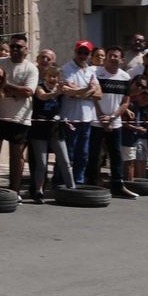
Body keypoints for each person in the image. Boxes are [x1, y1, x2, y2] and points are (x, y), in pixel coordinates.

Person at [88, 46, 136, 198]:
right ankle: (91, 184)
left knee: (116, 155)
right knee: (94, 155)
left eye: (116, 56)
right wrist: (101, 116)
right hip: (96, 121)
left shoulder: (125, 77)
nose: (113, 58)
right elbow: (93, 96)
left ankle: (118, 185)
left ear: (122, 60)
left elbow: (125, 102)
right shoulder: (95, 73)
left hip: (115, 123)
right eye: (110, 55)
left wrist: (112, 117)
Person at [0, 35, 38, 194]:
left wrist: (4, 85)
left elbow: (28, 92)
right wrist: (15, 90)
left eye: (19, 47)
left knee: (17, 156)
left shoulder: (31, 68)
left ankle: (14, 192)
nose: (15, 49)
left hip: (20, 118)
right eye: (13, 46)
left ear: (26, 49)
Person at [25, 65, 72, 203]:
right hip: (39, 130)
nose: (52, 78)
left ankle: (72, 189)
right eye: (50, 75)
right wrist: (56, 93)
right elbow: (42, 96)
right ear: (45, 76)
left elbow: (76, 92)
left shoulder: (60, 88)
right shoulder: (40, 87)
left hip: (56, 129)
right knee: (42, 164)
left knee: (65, 161)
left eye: (55, 76)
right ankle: (39, 191)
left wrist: (88, 88)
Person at [60, 41, 101, 189]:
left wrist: (82, 92)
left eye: (86, 53)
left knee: (83, 154)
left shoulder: (91, 70)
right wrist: (88, 90)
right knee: (67, 153)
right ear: (75, 51)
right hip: (70, 117)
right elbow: (70, 92)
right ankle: (61, 182)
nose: (82, 55)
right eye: (80, 52)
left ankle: (79, 182)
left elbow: (99, 94)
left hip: (86, 118)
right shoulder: (66, 69)